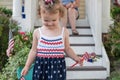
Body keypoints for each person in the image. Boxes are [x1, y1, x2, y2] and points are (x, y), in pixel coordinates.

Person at [21, 0, 82, 80]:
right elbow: (33, 51)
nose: (50, 23)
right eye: (46, 20)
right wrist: (27, 66)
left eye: (54, 20)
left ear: (60, 15)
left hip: (57, 69)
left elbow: (67, 48)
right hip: (41, 69)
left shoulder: (64, 32)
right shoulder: (37, 32)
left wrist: (76, 58)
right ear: (40, 15)